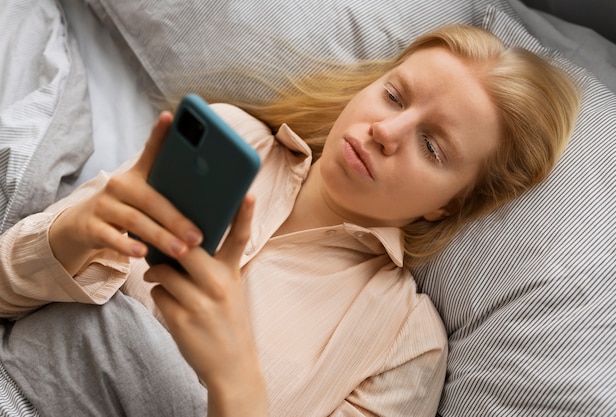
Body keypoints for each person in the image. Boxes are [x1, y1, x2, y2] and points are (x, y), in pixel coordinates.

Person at [0, 24, 579, 417]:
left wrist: (235, 381)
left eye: (432, 147)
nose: (386, 132)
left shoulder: (406, 343)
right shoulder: (231, 138)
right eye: (396, 97)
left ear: (447, 204)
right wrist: (68, 236)